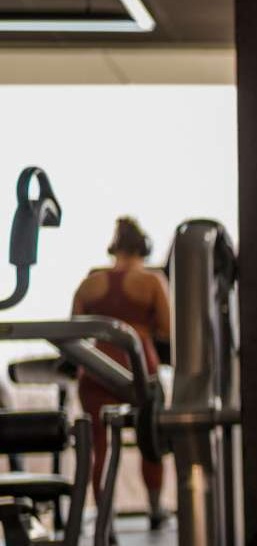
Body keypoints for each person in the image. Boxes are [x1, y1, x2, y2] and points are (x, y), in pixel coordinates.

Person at [71, 217, 170, 529]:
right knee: (150, 439)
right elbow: (168, 330)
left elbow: (72, 332)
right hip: (138, 368)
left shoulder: (89, 283)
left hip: (97, 368)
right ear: (143, 249)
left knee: (99, 446)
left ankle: (105, 520)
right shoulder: (151, 281)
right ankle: (155, 510)